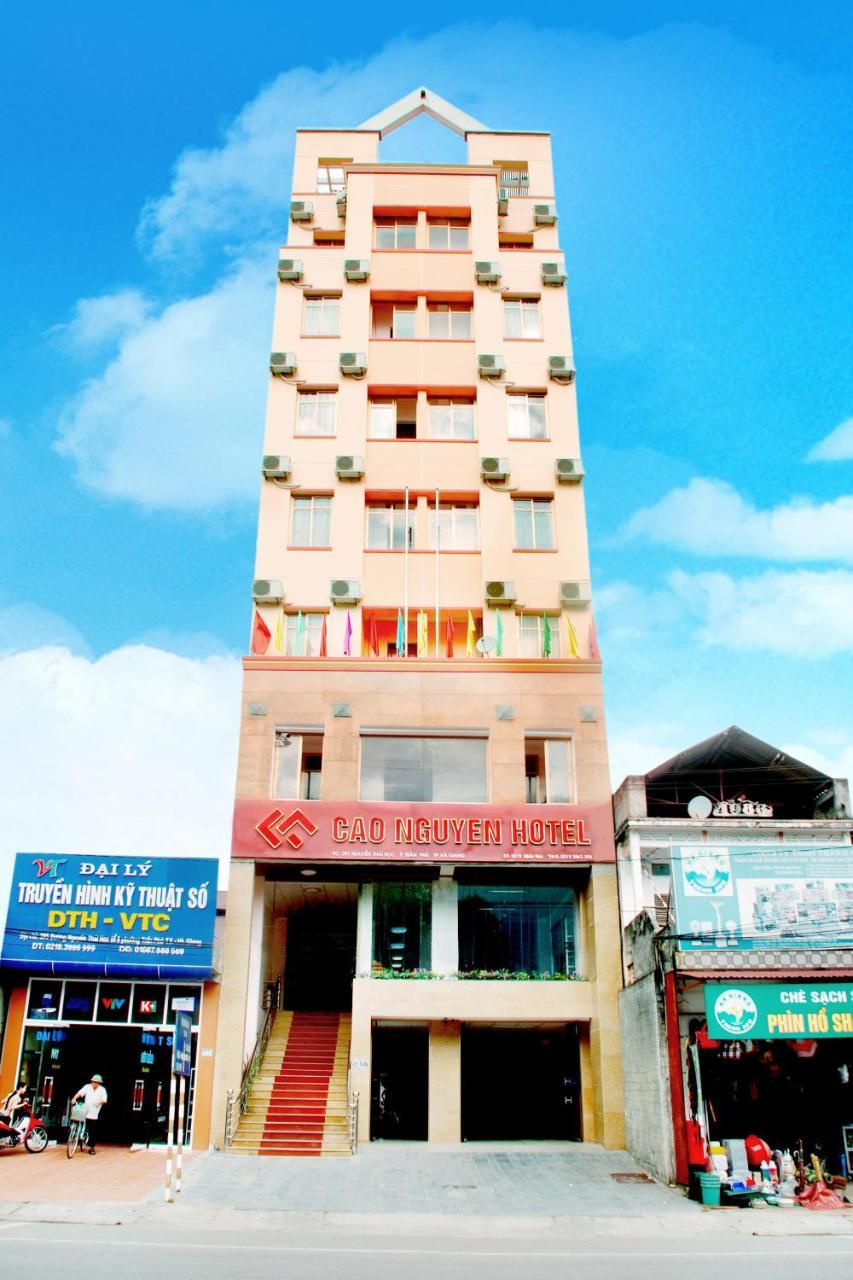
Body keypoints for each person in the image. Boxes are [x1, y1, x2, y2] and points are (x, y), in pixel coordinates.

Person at [72, 1074, 107, 1154]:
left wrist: (99, 1102)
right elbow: (80, 1093)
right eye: (93, 1082)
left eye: (96, 1082)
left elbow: (104, 1100)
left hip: (94, 1112)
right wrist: (74, 1098)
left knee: (92, 1130)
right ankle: (74, 1133)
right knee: (76, 1118)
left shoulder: (102, 1090)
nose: (94, 1084)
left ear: (99, 1083)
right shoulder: (87, 1087)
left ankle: (92, 1147)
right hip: (85, 1109)